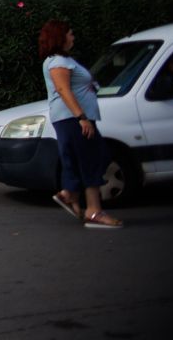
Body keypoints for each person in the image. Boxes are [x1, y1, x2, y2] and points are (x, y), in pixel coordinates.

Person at [42, 21, 122, 229]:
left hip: (73, 118)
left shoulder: (63, 60)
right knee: (93, 159)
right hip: (72, 119)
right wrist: (81, 117)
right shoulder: (58, 62)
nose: (73, 37)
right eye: (70, 33)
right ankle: (93, 211)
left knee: (92, 157)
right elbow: (63, 89)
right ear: (60, 37)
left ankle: (70, 193)